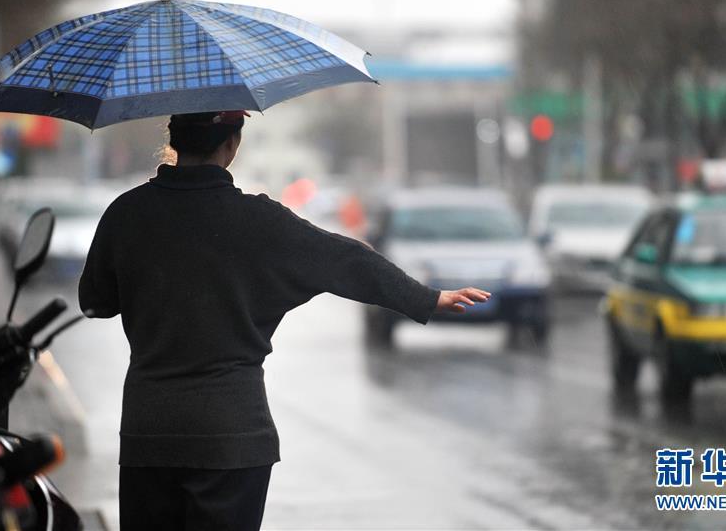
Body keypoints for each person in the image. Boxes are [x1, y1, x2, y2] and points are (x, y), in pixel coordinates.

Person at [79, 110, 490, 531]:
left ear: (174, 140)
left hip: (150, 435)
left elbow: (94, 301)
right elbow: (345, 259)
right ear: (231, 145)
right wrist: (426, 298)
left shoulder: (126, 214)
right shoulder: (260, 222)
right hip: (233, 437)